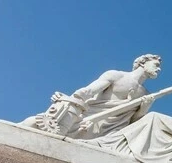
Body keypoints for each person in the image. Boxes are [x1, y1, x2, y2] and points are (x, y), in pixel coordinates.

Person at [21, 54, 164, 140]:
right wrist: (68, 99)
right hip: (89, 119)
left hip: (112, 132)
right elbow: (88, 91)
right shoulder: (116, 75)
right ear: (143, 62)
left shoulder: (146, 94)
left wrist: (143, 110)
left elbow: (133, 123)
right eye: (156, 64)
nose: (158, 69)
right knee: (32, 123)